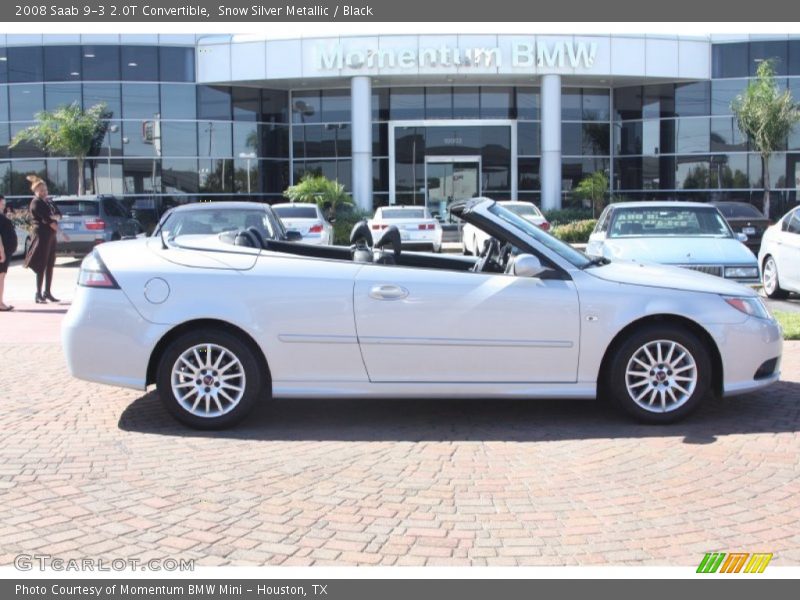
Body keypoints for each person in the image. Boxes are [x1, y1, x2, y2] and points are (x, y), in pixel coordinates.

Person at [23, 175, 61, 303]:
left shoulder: (48, 202)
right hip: (41, 236)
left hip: (51, 236)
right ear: (35, 191)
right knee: (41, 264)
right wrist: (53, 218)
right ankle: (38, 293)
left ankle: (47, 292)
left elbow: (59, 215)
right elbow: (48, 219)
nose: (44, 192)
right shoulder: (36, 203)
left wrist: (54, 217)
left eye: (45, 190)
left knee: (50, 264)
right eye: (41, 190)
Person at [0, 195, 18, 311]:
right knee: (1, 276)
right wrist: (1, 250)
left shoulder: (2, 215)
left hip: (6, 249)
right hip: (2, 251)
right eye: (3, 201)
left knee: (2, 276)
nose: (4, 203)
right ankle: (0, 303)